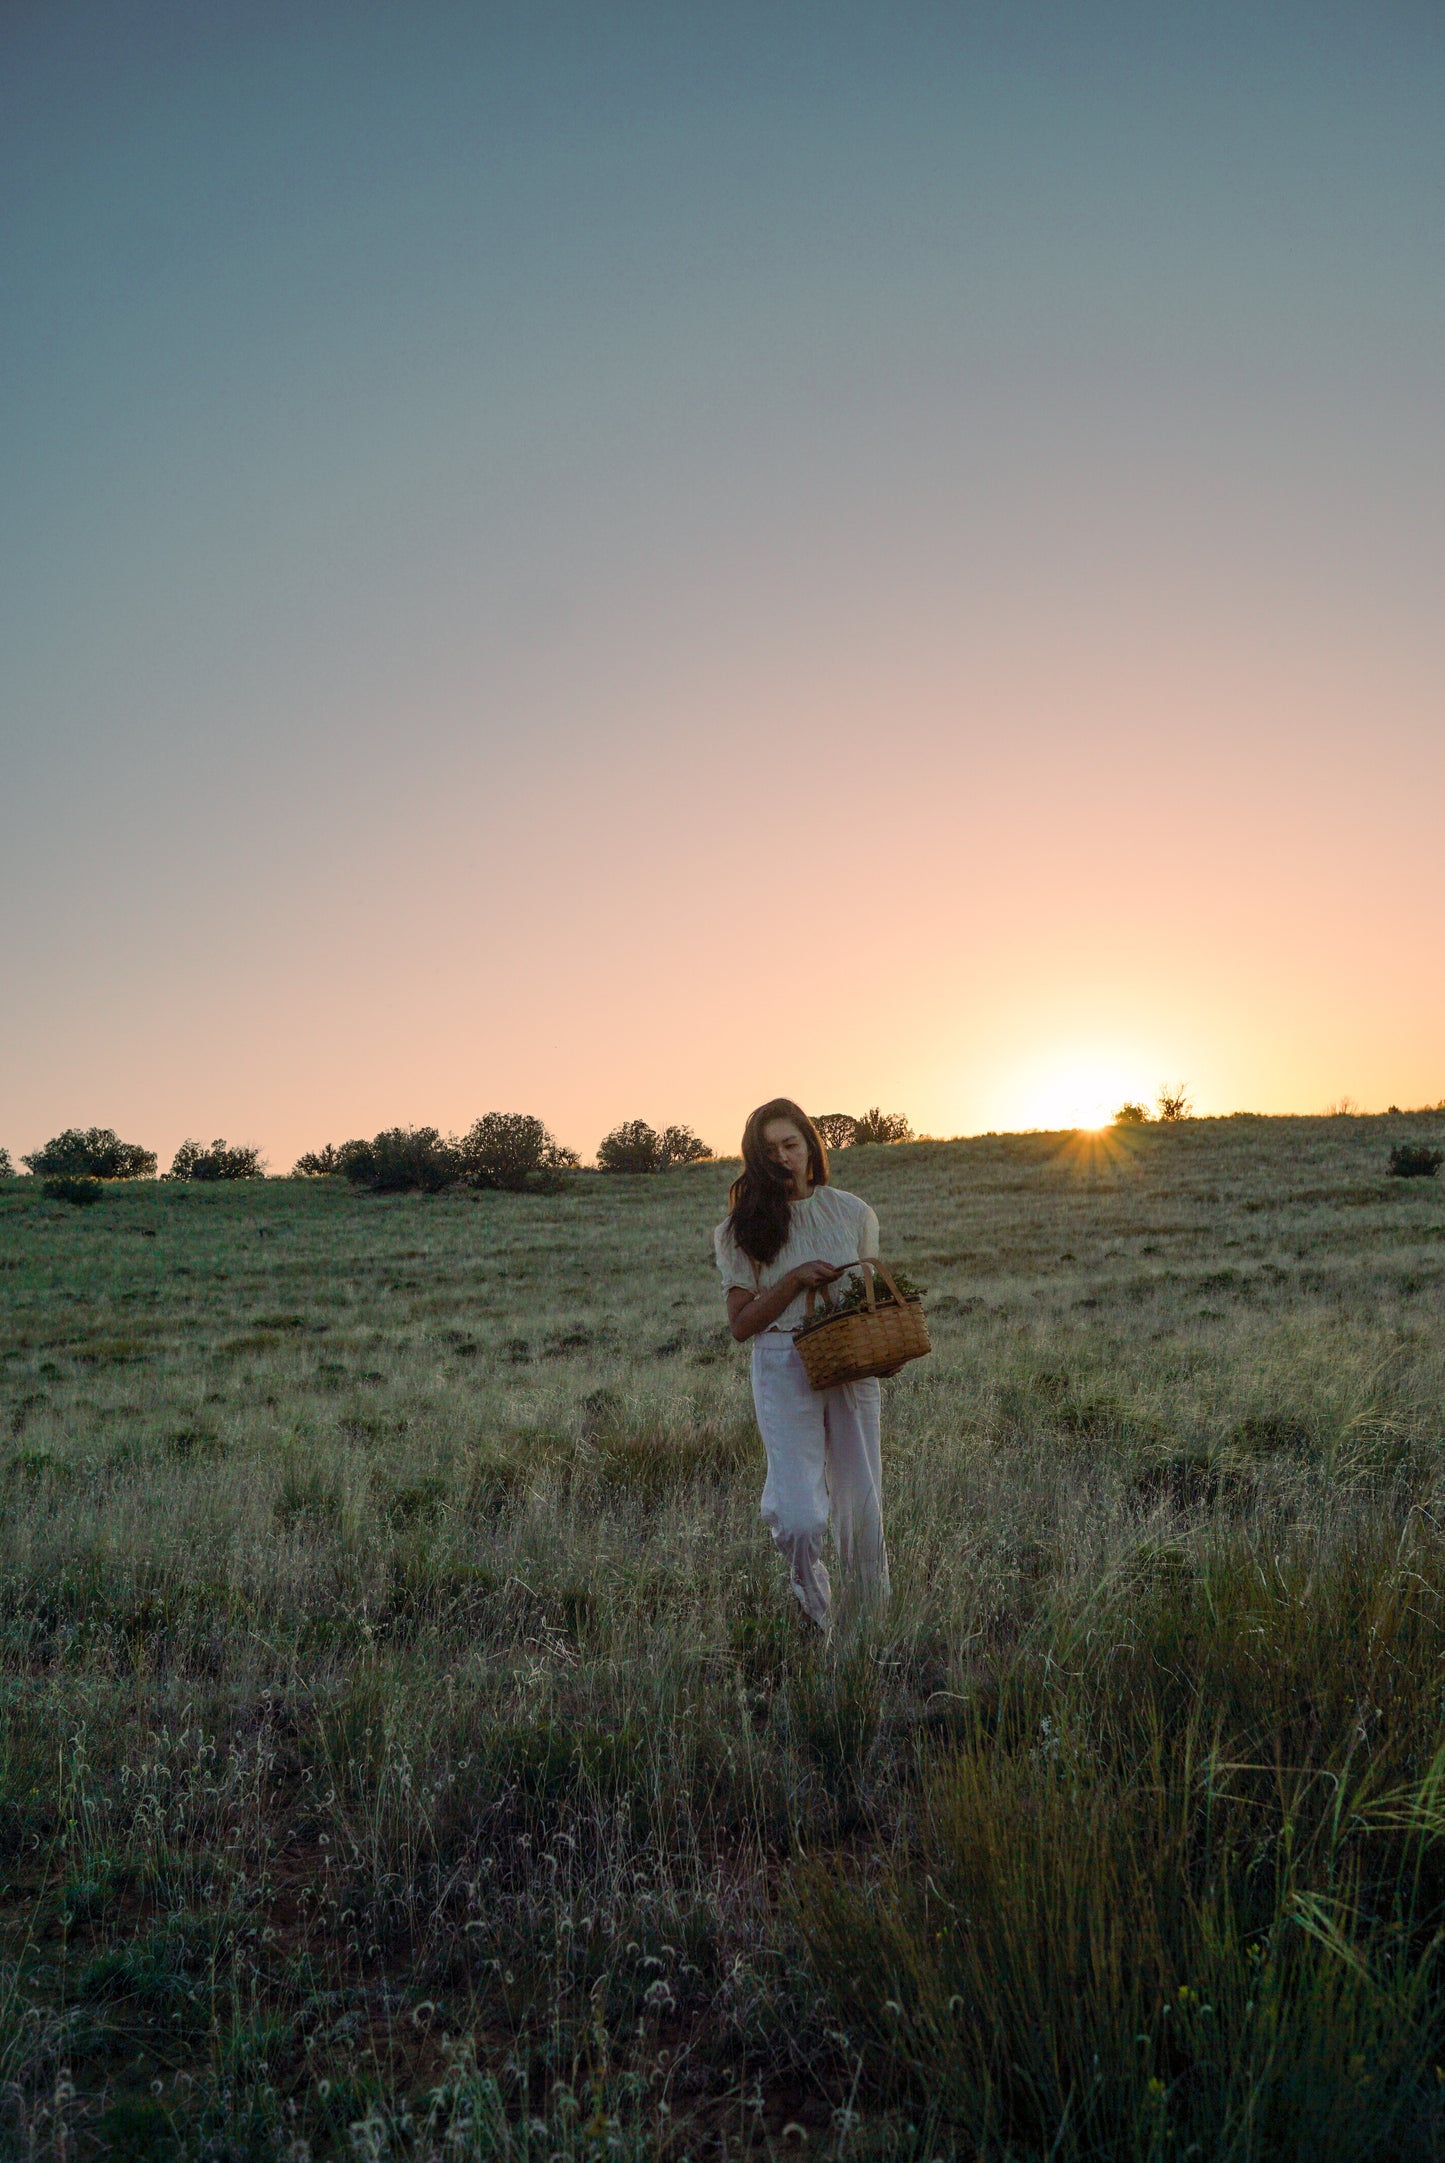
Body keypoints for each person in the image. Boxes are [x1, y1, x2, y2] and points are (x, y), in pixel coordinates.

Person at [714, 1097, 890, 1631]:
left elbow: (871, 1298)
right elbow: (741, 1325)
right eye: (770, 1151)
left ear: (811, 1147)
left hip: (848, 1358)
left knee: (862, 1509)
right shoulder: (739, 1229)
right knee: (799, 1517)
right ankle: (817, 1611)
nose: (784, 1157)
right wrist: (793, 1280)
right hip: (782, 1362)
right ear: (756, 1160)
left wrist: (882, 1348)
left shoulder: (853, 1212)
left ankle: (866, 1633)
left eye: (792, 1144)